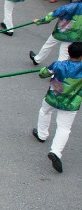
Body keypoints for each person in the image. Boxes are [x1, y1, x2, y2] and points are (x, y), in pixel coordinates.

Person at [33, 42, 82, 173]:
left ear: (69, 52)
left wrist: (43, 70)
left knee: (44, 111)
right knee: (64, 127)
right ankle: (56, 151)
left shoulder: (58, 64)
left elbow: (43, 74)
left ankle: (42, 134)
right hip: (71, 102)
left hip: (52, 97)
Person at [30, 0, 82, 65]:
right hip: (74, 35)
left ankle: (37, 59)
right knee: (64, 53)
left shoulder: (66, 8)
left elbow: (51, 16)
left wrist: (39, 21)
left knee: (48, 45)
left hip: (60, 32)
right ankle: (59, 72)